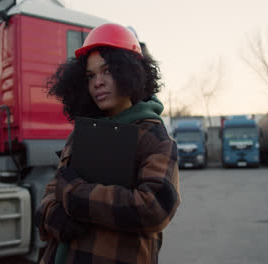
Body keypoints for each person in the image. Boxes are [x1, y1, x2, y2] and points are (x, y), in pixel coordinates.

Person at [35, 23, 181, 264]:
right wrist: (54, 217)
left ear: (130, 72)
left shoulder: (153, 136)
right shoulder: (82, 133)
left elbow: (154, 207)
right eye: (90, 76)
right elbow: (52, 192)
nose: (97, 83)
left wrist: (76, 196)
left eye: (107, 71)